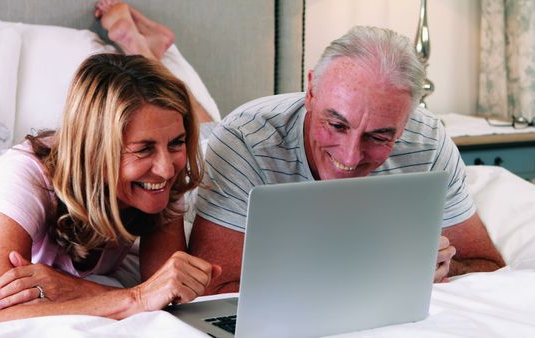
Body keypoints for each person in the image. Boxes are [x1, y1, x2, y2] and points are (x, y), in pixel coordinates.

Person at [0, 6, 219, 324]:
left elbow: (163, 285)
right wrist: (133, 298)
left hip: (0, 171)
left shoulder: (161, 176)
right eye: (144, 149)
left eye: (176, 143)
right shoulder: (26, 177)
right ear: (95, 148)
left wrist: (78, 288)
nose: (165, 167)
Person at [189, 26, 506, 294]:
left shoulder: (428, 140)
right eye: (336, 125)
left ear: (406, 121)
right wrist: (366, 273)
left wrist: (442, 267)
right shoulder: (243, 140)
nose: (351, 156)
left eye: (379, 136)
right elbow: (212, 288)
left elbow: (488, 266)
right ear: (311, 91)